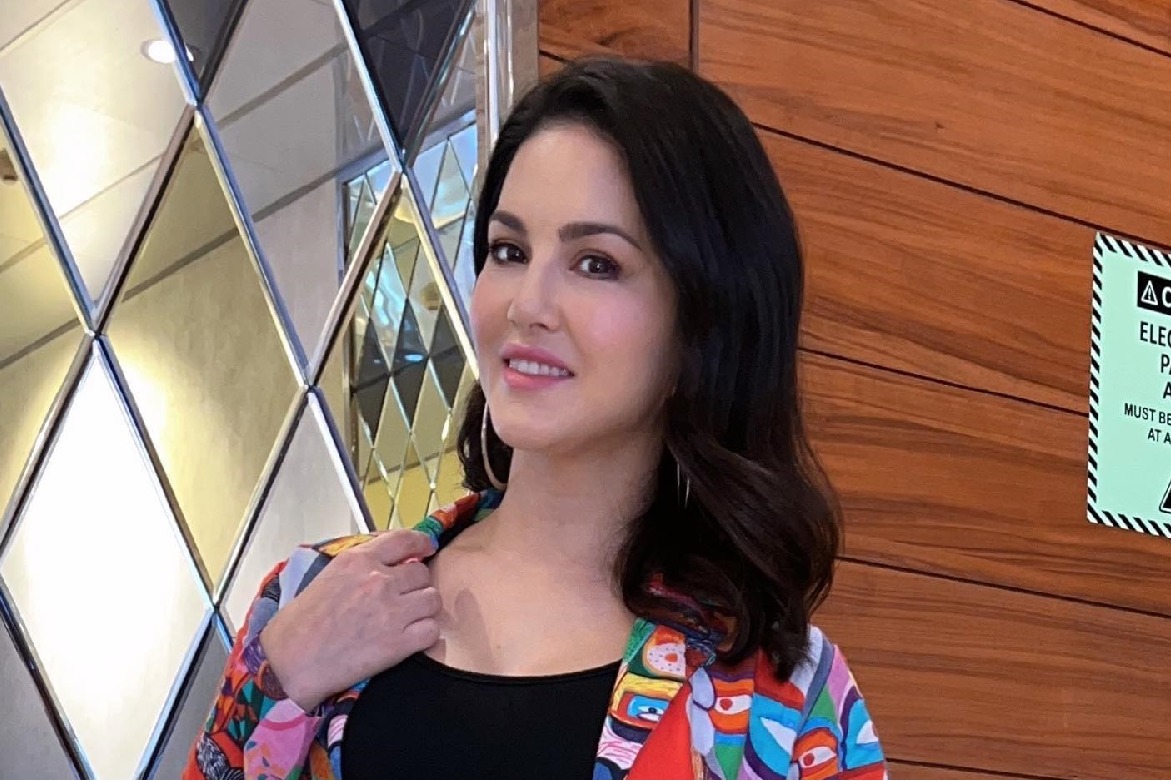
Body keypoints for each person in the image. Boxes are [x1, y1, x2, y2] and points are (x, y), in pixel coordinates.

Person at [183, 55, 887, 780]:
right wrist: (278, 684)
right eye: (509, 251)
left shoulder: (779, 694)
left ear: (703, 318)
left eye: (596, 263)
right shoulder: (314, 595)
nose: (526, 305)